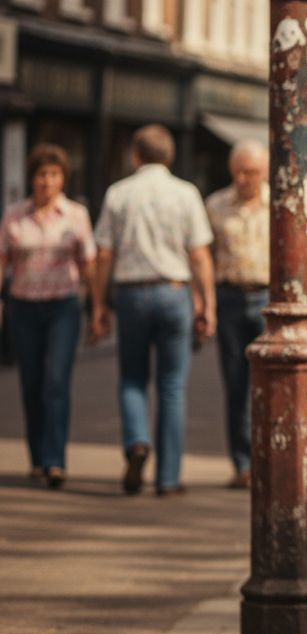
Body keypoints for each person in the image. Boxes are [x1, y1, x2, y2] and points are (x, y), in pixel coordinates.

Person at [91, 125, 215, 497]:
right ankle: (168, 477)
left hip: (131, 294)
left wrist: (98, 304)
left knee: (132, 378)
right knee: (172, 385)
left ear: (135, 156)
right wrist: (207, 301)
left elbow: (103, 254)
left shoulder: (118, 193)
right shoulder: (186, 193)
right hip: (174, 292)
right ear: (170, 157)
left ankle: (137, 441)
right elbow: (199, 254)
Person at [0, 144, 95, 489]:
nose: (47, 181)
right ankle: (38, 457)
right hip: (23, 305)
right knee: (31, 382)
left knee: (55, 381)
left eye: (54, 175)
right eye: (42, 175)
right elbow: (2, 260)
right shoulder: (14, 215)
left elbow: (89, 263)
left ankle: (56, 460)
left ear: (62, 179)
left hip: (62, 306)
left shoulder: (76, 215)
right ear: (32, 178)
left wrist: (97, 307)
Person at [205, 140, 269, 490]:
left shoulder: (281, 203)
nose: (247, 178)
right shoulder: (215, 205)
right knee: (236, 384)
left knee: (269, 385)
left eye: (254, 172)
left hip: (267, 299)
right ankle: (242, 463)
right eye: (242, 171)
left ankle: (269, 458)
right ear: (233, 170)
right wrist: (204, 305)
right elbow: (202, 257)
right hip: (230, 297)